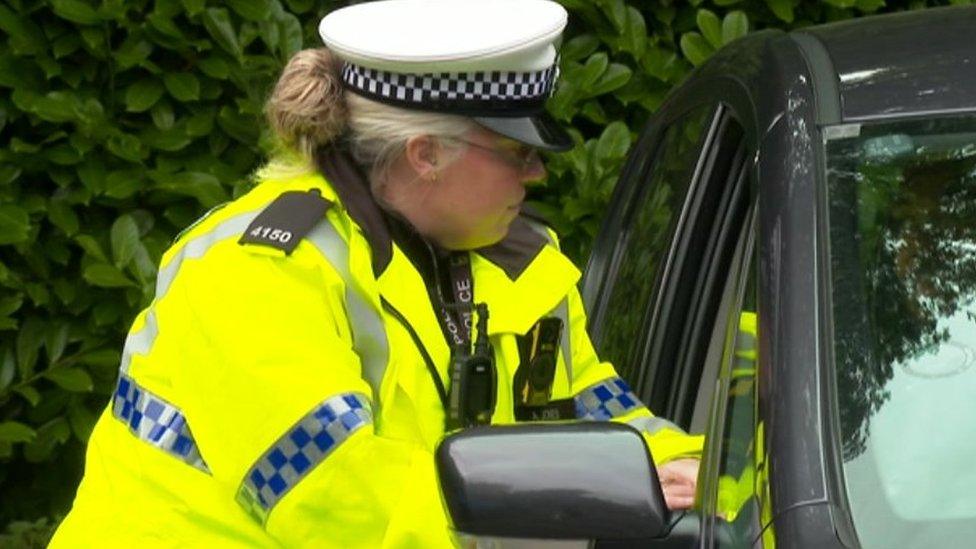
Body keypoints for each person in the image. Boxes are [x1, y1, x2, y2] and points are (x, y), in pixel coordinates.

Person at [50, 0, 703, 546]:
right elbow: (330, 493)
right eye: (519, 151)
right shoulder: (257, 269)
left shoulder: (516, 261)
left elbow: (591, 407)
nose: (539, 173)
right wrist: (548, 513)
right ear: (426, 155)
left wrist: (692, 472)